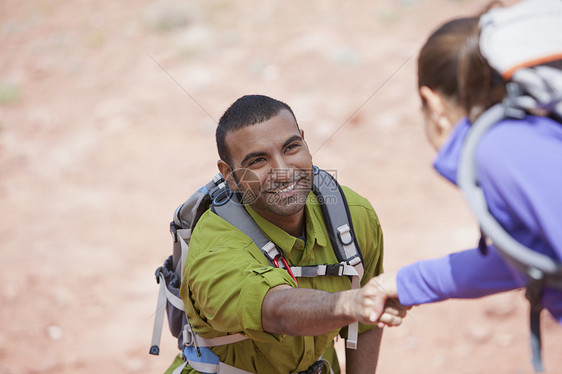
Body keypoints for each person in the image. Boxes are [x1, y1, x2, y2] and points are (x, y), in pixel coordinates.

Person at [165, 94, 405, 374]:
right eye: (258, 161)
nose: (283, 171)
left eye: (291, 147)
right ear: (229, 174)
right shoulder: (215, 247)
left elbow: (366, 323)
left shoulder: (354, 216)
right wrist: (353, 302)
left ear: (304, 142)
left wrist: (364, 305)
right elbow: (277, 312)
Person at [372, 13, 562, 325]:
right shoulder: (519, 139)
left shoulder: (500, 151)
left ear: (432, 104)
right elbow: (531, 252)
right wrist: (409, 282)